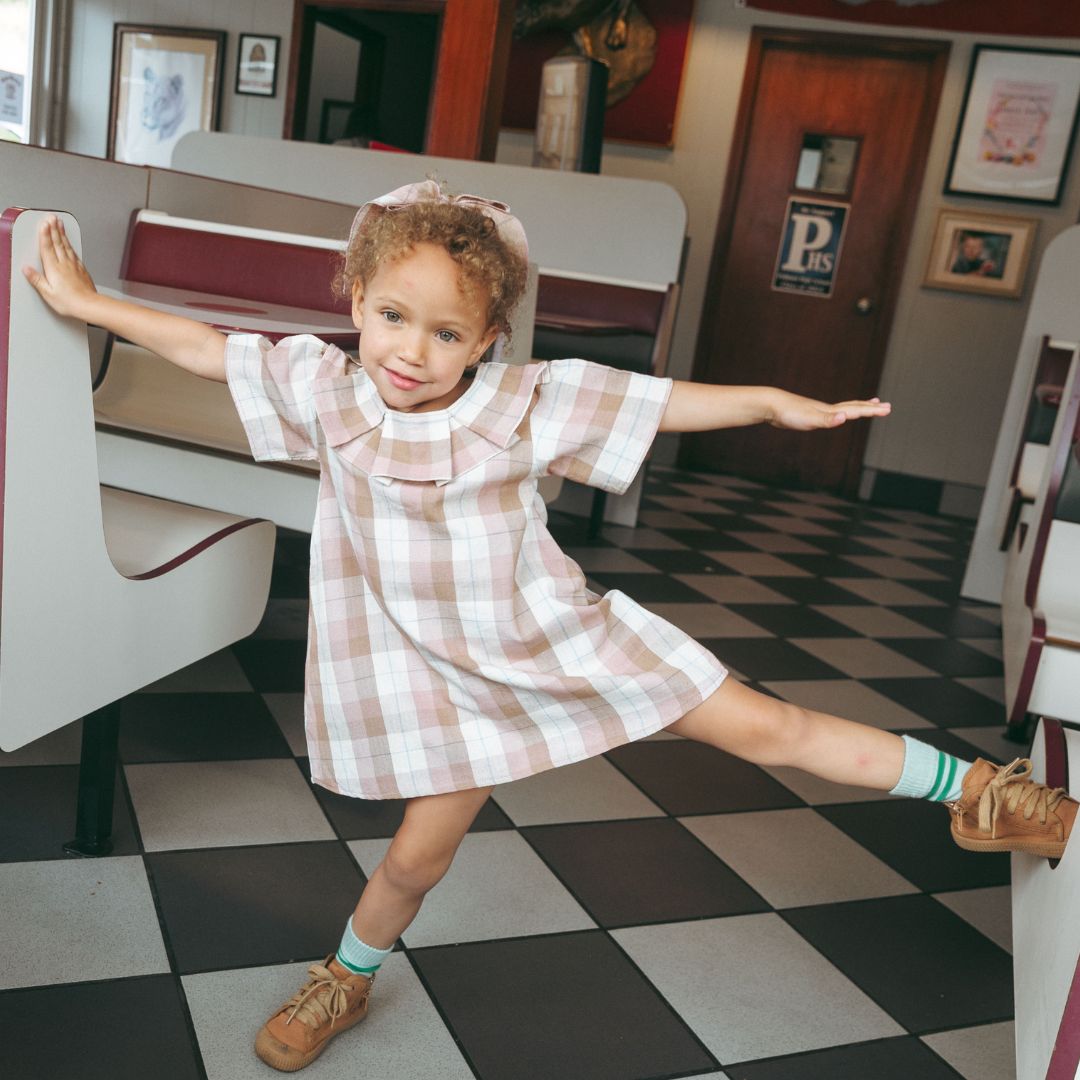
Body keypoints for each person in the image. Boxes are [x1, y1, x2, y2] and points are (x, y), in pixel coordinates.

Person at [26, 183, 1075, 1073]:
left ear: (490, 339)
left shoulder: (528, 403)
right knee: (412, 865)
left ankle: (982, 793)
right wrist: (86, 299)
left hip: (559, 642)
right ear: (355, 298)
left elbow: (662, 400)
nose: (412, 351)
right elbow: (209, 349)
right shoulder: (324, 390)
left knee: (767, 726)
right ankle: (343, 981)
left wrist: (769, 402)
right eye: (393, 316)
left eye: (448, 333)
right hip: (442, 676)